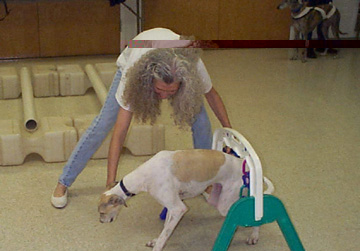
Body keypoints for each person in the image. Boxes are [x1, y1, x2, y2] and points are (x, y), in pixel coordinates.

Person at [51, 28, 231, 208]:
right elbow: (120, 132)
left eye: (171, 92)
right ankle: (63, 182)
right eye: (159, 91)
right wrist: (110, 184)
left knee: (201, 122)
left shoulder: (192, 64)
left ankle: (207, 181)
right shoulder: (134, 76)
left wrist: (229, 133)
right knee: (103, 123)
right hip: (139, 47)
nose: (164, 97)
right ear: (149, 82)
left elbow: (212, 96)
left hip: (171, 52)